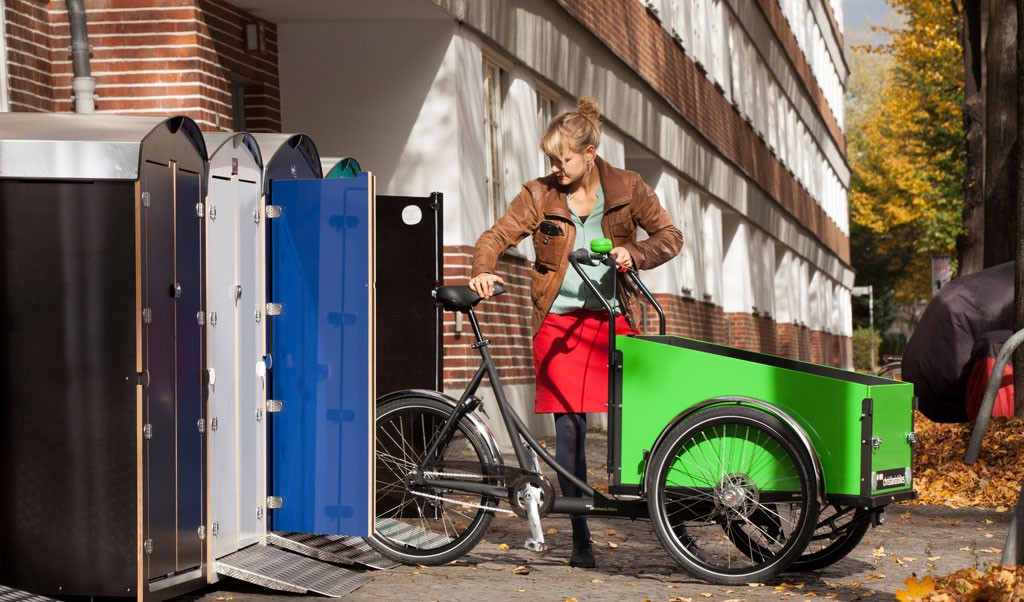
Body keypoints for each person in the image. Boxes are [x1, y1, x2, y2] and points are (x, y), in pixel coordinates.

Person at [468, 96, 683, 568]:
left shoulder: (628, 187)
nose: (554, 168)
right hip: (559, 324)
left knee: (646, 417)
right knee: (569, 428)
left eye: (562, 159)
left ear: (589, 154)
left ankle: (673, 517)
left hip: (613, 320)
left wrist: (634, 254)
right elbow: (495, 236)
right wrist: (482, 269)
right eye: (550, 159)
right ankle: (580, 534)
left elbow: (670, 237)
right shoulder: (538, 195)